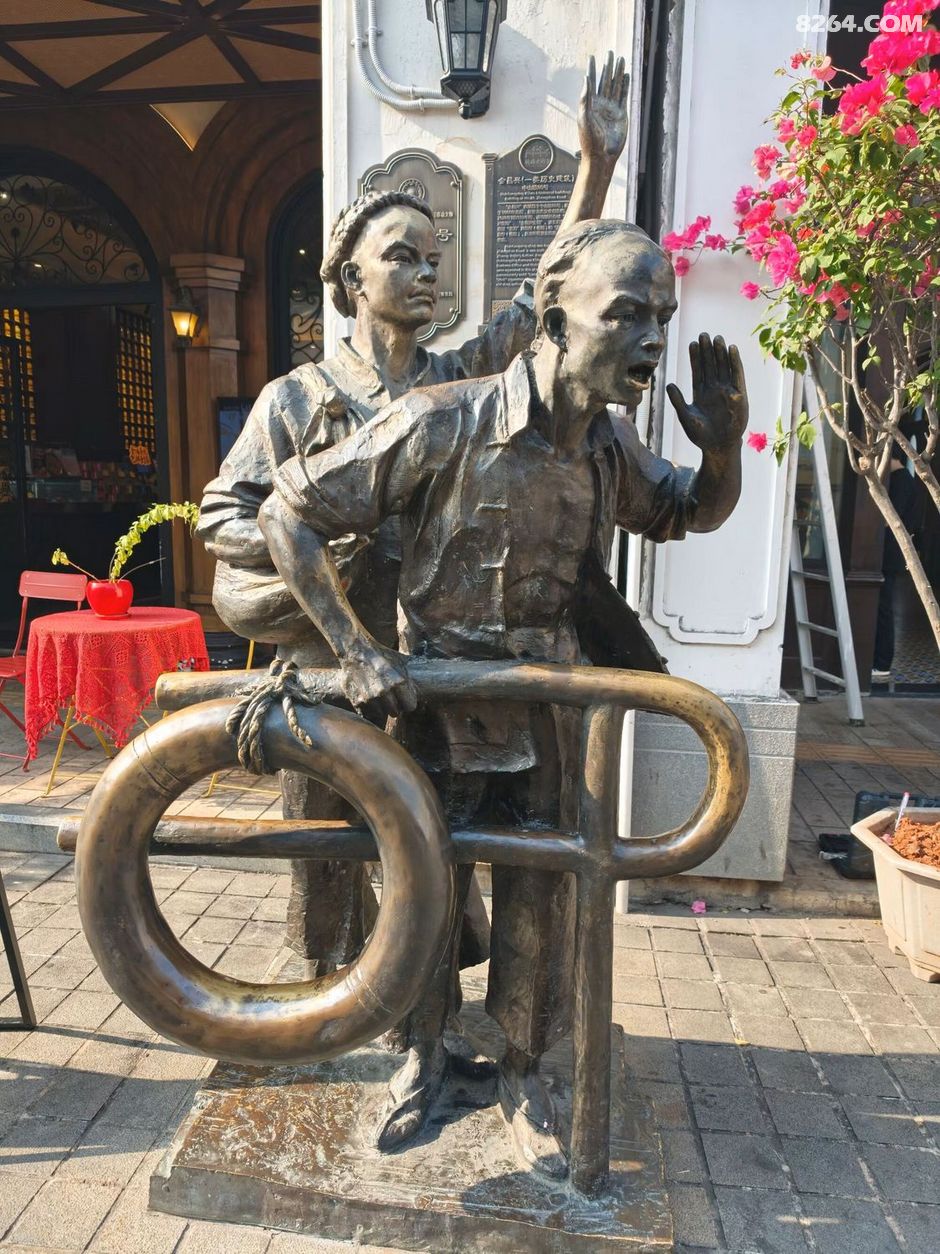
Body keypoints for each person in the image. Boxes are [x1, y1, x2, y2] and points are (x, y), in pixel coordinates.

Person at [256, 219, 749, 1176]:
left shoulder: (606, 444)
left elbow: (688, 510)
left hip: (548, 706)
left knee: (542, 895)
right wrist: (356, 651)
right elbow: (289, 512)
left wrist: (724, 449)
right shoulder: (443, 418)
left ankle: (525, 1070)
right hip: (432, 703)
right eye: (628, 315)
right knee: (426, 886)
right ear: (556, 317)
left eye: (662, 316)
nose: (653, 339)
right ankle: (421, 1055)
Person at [196, 53, 631, 981]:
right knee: (326, 851)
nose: (425, 273)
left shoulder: (455, 384)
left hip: (426, 668)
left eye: (434, 260)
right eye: (401, 256)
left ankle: (413, 1014)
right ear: (348, 277)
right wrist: (332, 546)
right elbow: (224, 517)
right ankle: (325, 1008)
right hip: (330, 663)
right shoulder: (293, 399)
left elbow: (539, 305)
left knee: (426, 851)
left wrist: (594, 171)